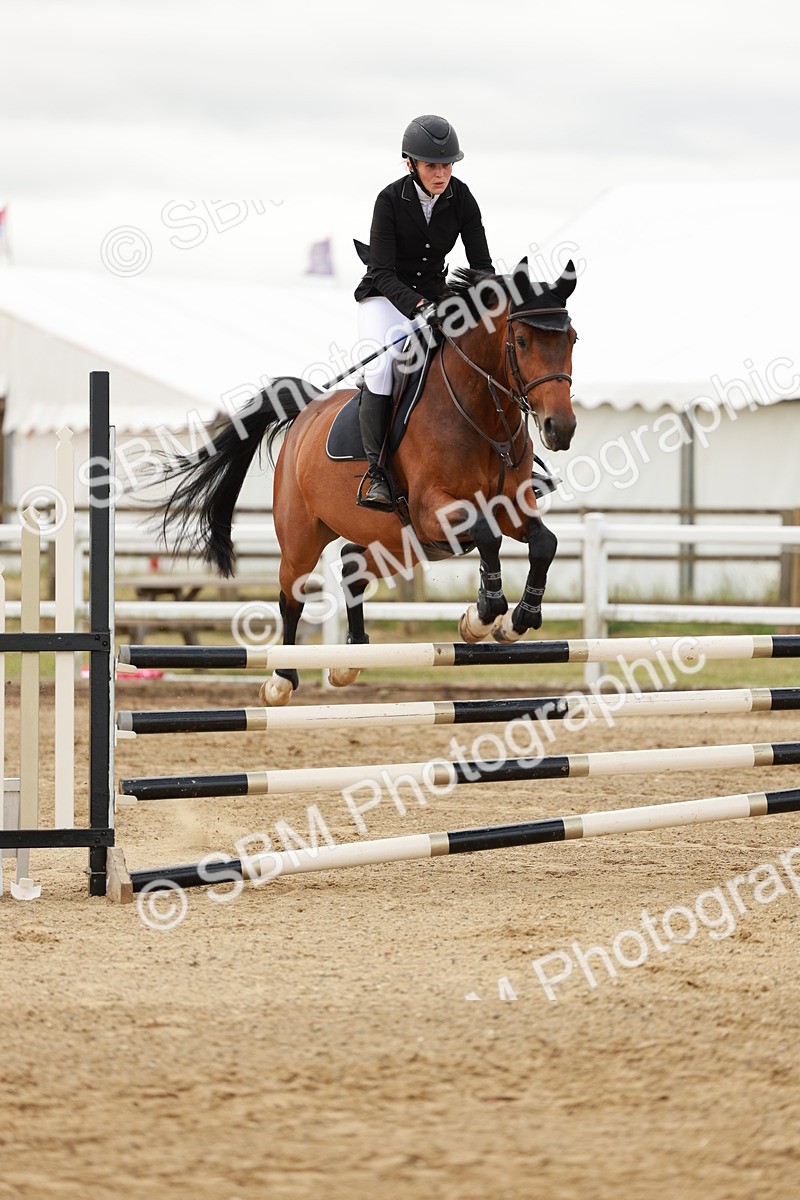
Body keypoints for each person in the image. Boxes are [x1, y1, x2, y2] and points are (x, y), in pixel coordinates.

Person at [354, 114, 494, 507]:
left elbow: (481, 264)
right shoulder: (388, 201)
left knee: (476, 354)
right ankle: (377, 472)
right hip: (385, 298)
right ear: (410, 164)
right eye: (432, 165)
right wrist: (418, 306)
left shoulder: (462, 197)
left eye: (447, 165)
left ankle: (511, 460)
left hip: (435, 294)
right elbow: (380, 271)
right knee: (382, 367)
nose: (441, 173)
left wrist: (493, 301)